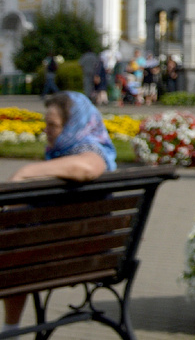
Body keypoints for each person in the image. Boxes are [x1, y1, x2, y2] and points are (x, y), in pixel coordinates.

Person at [4, 91, 117, 333]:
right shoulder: (66, 155)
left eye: (53, 125)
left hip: (65, 258)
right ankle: (10, 330)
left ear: (73, 125)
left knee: (14, 252)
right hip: (66, 254)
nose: (47, 131)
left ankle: (10, 330)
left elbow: (89, 166)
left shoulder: (90, 149)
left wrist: (27, 171)